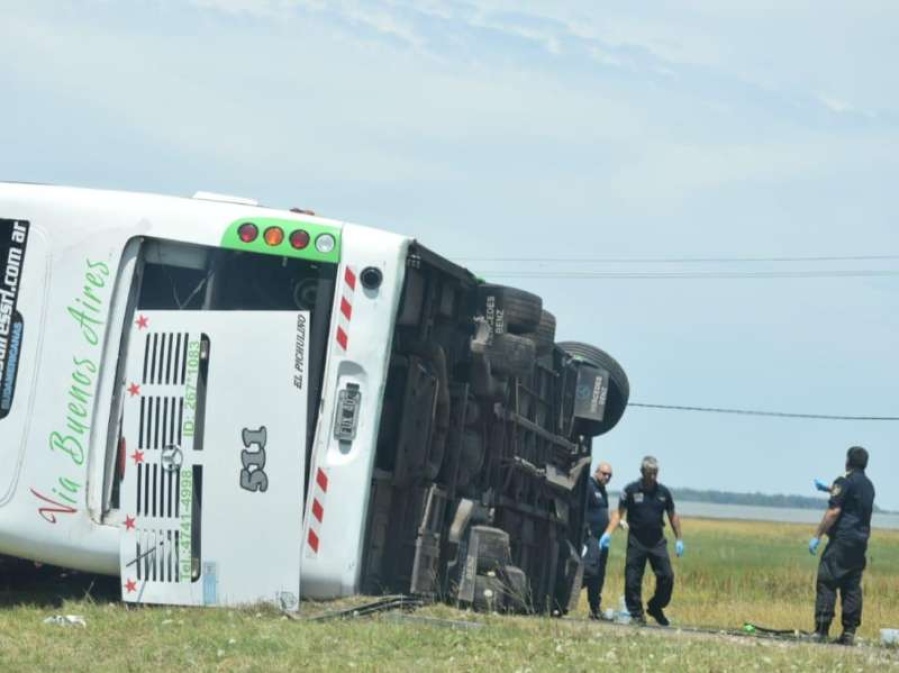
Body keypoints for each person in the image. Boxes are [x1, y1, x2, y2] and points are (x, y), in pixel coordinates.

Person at [600, 455, 683, 626]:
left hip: (657, 541)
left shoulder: (663, 493)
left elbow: (673, 515)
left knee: (667, 576)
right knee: (632, 579)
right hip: (636, 541)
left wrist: (679, 539)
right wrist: (608, 533)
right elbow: (619, 513)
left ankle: (655, 606)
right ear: (642, 472)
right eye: (650, 473)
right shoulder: (631, 490)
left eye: (655, 473)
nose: (653, 477)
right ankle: (637, 615)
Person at [808, 446, 875, 646]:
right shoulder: (869, 485)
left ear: (848, 461)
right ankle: (849, 633)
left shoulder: (844, 480)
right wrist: (829, 489)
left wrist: (817, 535)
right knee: (851, 586)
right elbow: (852, 497)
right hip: (860, 542)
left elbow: (834, 511)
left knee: (827, 580)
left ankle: (821, 630)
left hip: (842, 540)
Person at [582, 462, 613, 619]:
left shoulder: (603, 490)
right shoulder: (588, 485)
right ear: (597, 472)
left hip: (603, 539)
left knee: (599, 575)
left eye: (609, 475)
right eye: (604, 474)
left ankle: (595, 609)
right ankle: (569, 592)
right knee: (590, 570)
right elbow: (581, 508)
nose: (607, 477)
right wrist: (586, 529)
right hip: (591, 536)